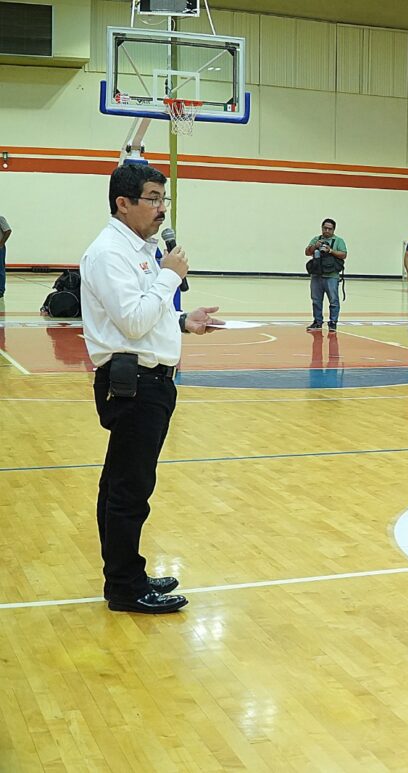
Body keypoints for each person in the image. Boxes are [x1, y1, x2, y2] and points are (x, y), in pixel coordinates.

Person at [80, 162, 223, 614]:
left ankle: (129, 573)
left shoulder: (138, 249)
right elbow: (135, 321)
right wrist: (170, 277)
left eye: (164, 199)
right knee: (129, 489)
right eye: (153, 199)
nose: (162, 210)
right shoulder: (109, 253)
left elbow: (143, 313)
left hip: (150, 381)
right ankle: (123, 587)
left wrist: (184, 320)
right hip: (134, 385)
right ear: (123, 203)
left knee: (122, 485)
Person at [305, 218, 347, 332]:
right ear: (322, 228)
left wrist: (330, 251)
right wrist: (315, 246)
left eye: (330, 229)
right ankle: (317, 321)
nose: (327, 231)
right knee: (316, 300)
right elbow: (307, 252)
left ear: (334, 229)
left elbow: (343, 254)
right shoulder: (316, 239)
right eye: (325, 228)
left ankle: (333, 322)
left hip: (332, 275)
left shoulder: (339, 241)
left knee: (333, 300)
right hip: (316, 274)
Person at [0, 212, 10, 298]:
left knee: (0, 269)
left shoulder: (0, 218)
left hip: (0, 248)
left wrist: (1, 244)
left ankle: (0, 290)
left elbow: (8, 230)